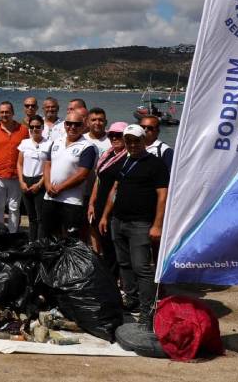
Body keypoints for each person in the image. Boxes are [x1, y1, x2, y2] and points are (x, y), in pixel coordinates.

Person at [99, 124, 169, 326]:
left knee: (142, 268)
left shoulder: (155, 164)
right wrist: (105, 216)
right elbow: (115, 189)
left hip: (140, 224)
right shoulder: (127, 160)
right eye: (128, 140)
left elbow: (163, 196)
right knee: (124, 265)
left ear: (143, 140)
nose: (132, 144)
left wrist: (157, 225)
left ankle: (147, 311)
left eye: (136, 140)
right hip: (118, 221)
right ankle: (132, 299)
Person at [42, 112, 97, 239]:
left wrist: (59, 188)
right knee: (49, 236)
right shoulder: (56, 142)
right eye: (69, 123)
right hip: (50, 198)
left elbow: (82, 175)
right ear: (64, 125)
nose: (72, 127)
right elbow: (47, 165)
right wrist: (47, 185)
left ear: (83, 126)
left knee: (70, 239)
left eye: (77, 124)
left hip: (72, 202)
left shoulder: (88, 147)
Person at [87, 122, 128, 279]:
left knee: (117, 246)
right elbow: (99, 180)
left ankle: (118, 279)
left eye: (119, 135)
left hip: (115, 210)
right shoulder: (107, 155)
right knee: (106, 245)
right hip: (100, 206)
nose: (114, 138)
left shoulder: (127, 158)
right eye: (111, 135)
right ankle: (110, 277)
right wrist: (91, 202)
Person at [0, 102, 29, 232]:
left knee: (14, 207)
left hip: (16, 175)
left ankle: (12, 234)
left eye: (7, 112)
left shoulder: (23, 130)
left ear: (13, 113)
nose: (5, 115)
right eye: (2, 112)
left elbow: (27, 152)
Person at [17, 115, 52, 240]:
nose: (34, 129)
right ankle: (32, 243)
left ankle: (40, 245)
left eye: (38, 127)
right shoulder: (24, 143)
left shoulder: (49, 144)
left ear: (43, 127)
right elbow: (19, 164)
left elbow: (50, 167)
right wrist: (21, 181)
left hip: (40, 182)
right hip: (26, 181)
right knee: (31, 217)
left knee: (40, 218)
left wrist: (40, 184)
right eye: (32, 127)